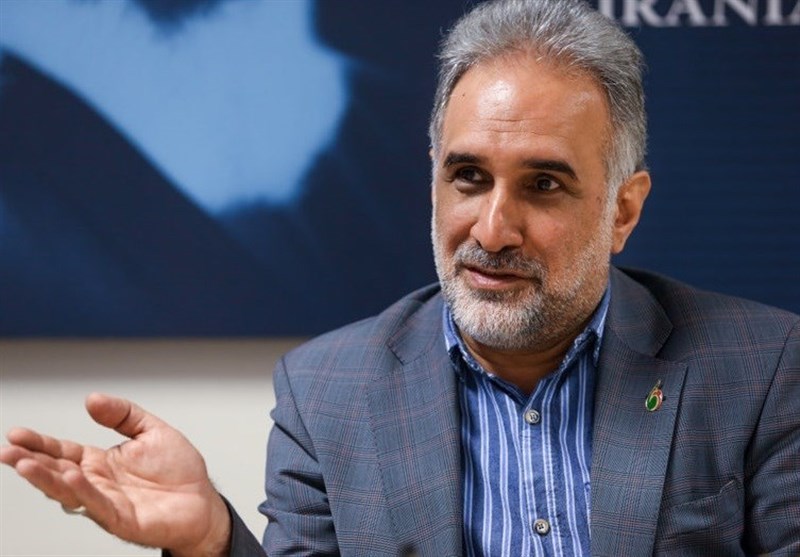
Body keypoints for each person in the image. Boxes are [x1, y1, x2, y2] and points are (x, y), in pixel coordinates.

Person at [2, 0, 799, 555]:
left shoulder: (761, 369)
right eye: (468, 177)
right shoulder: (326, 392)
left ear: (623, 209)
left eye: (544, 184)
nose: (492, 230)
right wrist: (212, 539)